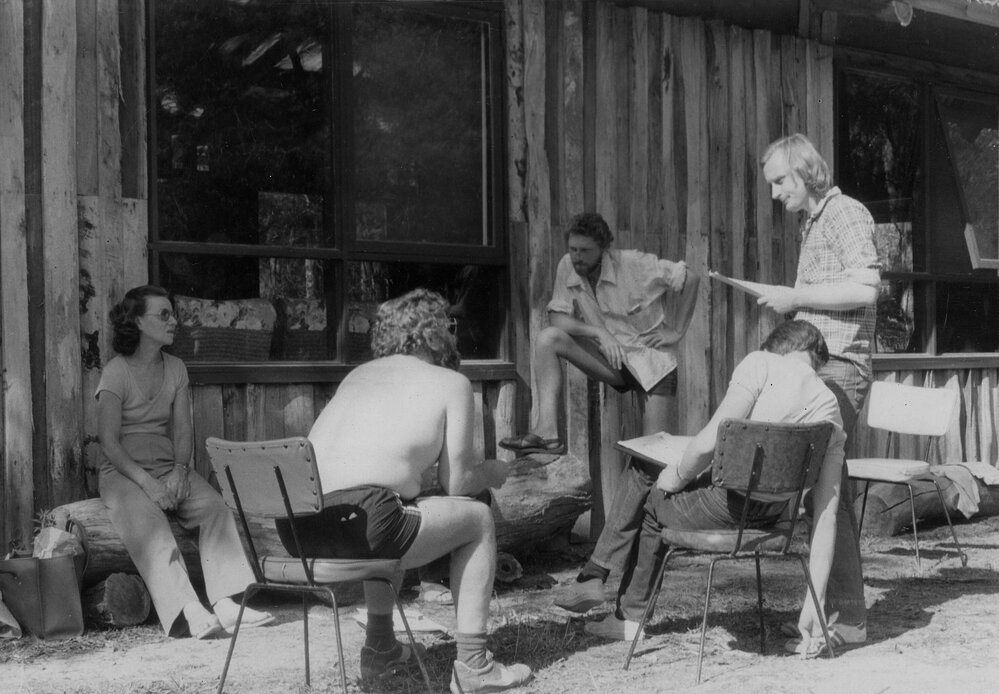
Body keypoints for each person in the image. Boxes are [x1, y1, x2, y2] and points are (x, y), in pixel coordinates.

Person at [283, 289, 532, 693]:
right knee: (479, 519)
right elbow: (459, 483)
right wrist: (491, 471)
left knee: (402, 506)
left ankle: (381, 647)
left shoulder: (357, 376)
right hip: (366, 523)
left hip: (300, 525)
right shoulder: (451, 382)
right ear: (439, 333)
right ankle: (473, 665)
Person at [585, 320, 846, 657]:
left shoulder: (761, 362)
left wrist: (676, 476)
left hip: (731, 506)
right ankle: (597, 574)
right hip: (775, 514)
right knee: (660, 478)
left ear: (778, 347)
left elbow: (709, 442)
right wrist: (815, 601)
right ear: (816, 360)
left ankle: (623, 608)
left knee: (649, 492)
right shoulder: (830, 407)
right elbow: (827, 515)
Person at [754, 133, 880, 653]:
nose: (776, 193)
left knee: (828, 494)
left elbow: (867, 288)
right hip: (821, 368)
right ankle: (828, 609)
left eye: (781, 181)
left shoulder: (845, 212)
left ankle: (846, 619)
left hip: (842, 368)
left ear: (806, 171)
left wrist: (797, 296)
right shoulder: (814, 220)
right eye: (772, 185)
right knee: (823, 491)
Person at [96, 285, 274, 639]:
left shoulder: (176, 368)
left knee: (214, 508)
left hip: (168, 464)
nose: (173, 321)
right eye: (164, 314)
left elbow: (182, 433)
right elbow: (108, 442)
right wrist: (148, 485)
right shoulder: (116, 372)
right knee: (151, 525)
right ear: (138, 322)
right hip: (123, 472)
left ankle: (225, 601)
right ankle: (189, 609)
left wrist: (179, 472)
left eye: (172, 313)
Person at [499, 211, 700, 455]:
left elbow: (690, 278)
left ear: (603, 248)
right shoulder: (567, 265)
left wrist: (677, 331)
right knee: (548, 338)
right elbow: (557, 317)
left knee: (653, 456)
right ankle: (547, 434)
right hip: (612, 360)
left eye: (585, 251)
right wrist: (597, 332)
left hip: (652, 364)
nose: (577, 257)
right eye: (573, 249)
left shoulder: (634, 263)